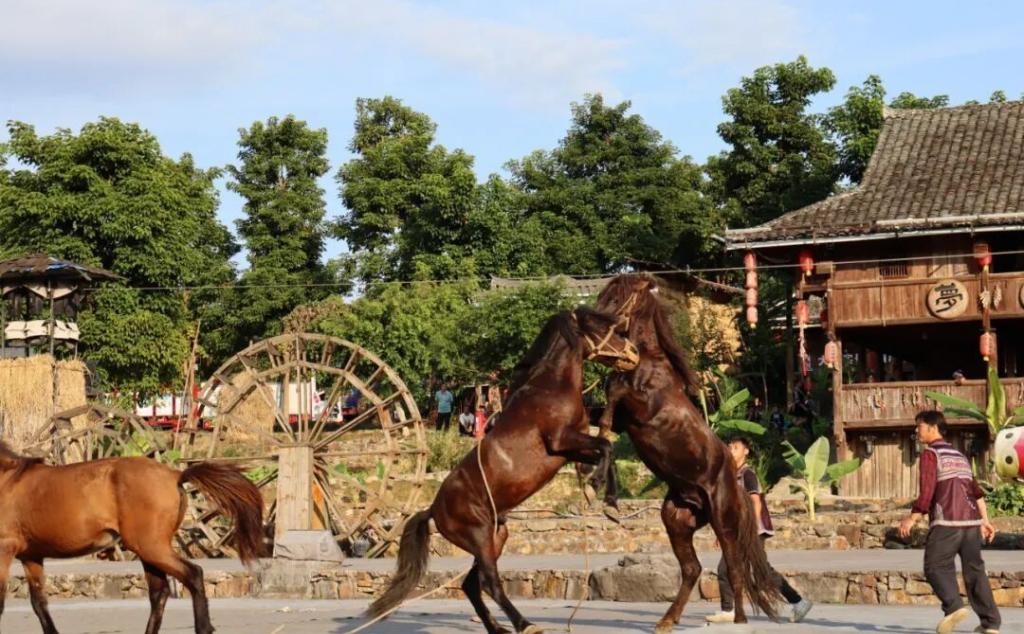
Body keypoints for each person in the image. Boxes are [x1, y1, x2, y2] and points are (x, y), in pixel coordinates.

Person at [898, 410, 1000, 634]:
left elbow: (927, 494)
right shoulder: (959, 455)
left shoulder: (931, 454)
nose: (917, 431)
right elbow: (976, 492)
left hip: (947, 524)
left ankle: (953, 606)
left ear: (933, 428)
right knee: (975, 573)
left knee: (934, 566)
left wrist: (911, 519)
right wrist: (985, 521)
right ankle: (990, 623)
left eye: (920, 426)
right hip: (971, 525)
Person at [706, 437, 813, 624]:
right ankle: (728, 610)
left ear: (746, 451)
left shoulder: (747, 475)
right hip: (735, 531)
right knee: (726, 568)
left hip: (752, 531)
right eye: (730, 446)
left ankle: (798, 601)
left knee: (761, 573)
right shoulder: (729, 475)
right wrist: (721, 532)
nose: (731, 450)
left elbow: (755, 502)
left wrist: (751, 528)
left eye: (736, 447)